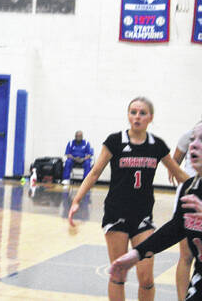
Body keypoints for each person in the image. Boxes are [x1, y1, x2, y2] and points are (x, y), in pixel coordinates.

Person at [68, 97, 190, 301]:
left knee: (147, 278)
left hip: (143, 216)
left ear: (150, 117)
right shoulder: (115, 141)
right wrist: (77, 200)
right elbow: (95, 172)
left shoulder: (157, 145)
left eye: (142, 113)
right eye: (133, 112)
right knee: (118, 275)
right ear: (128, 115)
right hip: (116, 215)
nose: (137, 117)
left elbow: (178, 174)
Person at [110, 122, 202, 300]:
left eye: (201, 140)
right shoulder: (191, 188)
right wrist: (136, 254)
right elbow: (175, 229)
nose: (193, 144)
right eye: (192, 139)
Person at [168, 122, 202, 301]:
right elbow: (173, 164)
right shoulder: (188, 134)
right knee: (186, 255)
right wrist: (186, 181)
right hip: (189, 198)